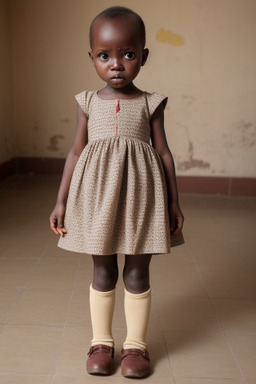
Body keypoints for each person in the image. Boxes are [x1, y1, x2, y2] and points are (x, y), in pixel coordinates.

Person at [49, 6, 184, 378]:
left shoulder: (150, 103)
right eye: (105, 55)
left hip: (143, 201)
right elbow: (75, 151)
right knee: (103, 270)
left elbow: (164, 153)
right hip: (96, 201)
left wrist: (173, 202)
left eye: (128, 54)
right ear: (91, 57)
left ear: (143, 56)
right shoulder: (87, 103)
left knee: (137, 273)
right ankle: (102, 343)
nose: (117, 64)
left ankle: (136, 348)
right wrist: (61, 200)